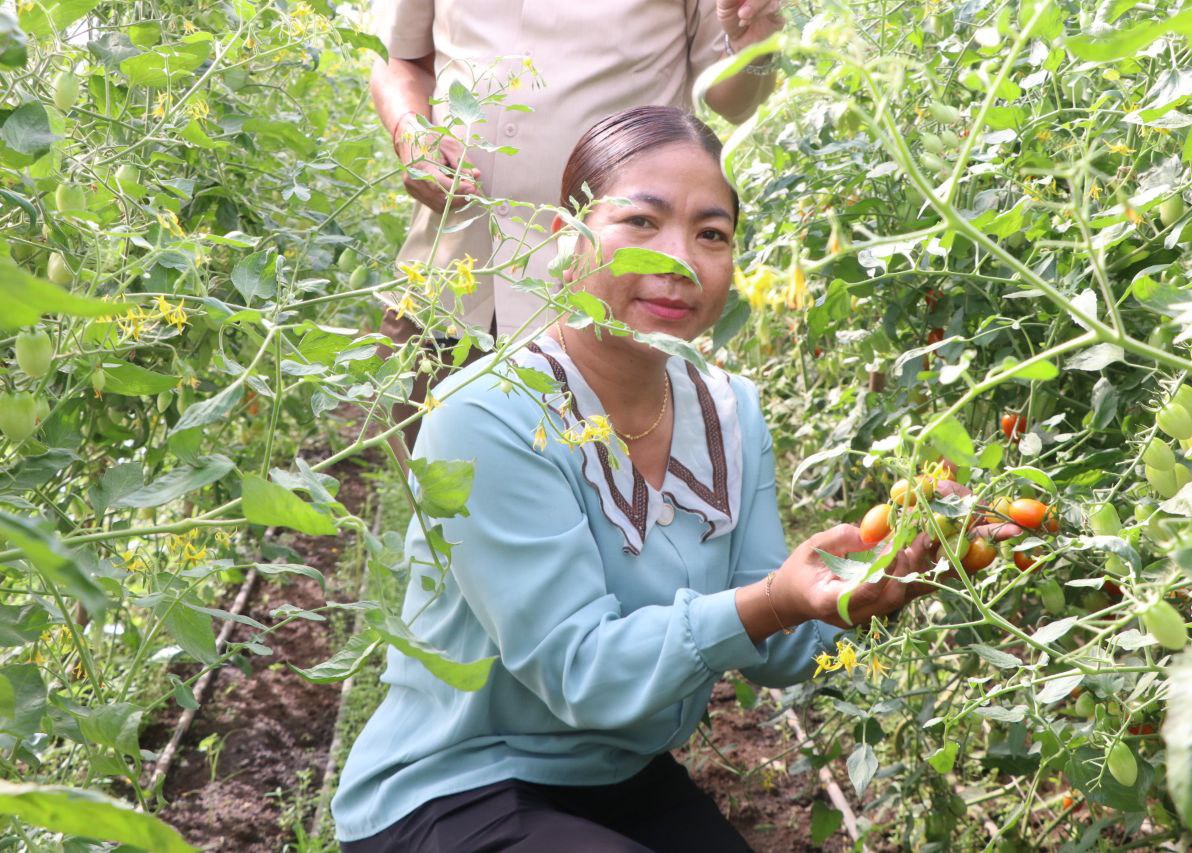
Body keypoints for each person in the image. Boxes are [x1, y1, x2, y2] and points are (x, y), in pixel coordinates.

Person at [332, 107, 1000, 852]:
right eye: (641, 222)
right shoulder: (486, 414)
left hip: (615, 771)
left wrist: (880, 573)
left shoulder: (730, 409)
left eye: (711, 234)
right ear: (565, 238)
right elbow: (580, 671)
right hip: (455, 785)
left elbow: (777, 649)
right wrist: (773, 599)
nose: (680, 260)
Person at [368, 0, 784, 464]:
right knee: (436, 492)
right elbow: (399, 58)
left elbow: (734, 97)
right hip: (449, 285)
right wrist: (410, 131)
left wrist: (754, 45)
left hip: (608, 311)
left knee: (606, 493)